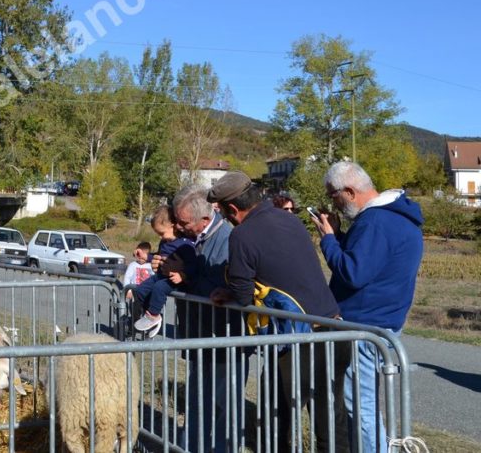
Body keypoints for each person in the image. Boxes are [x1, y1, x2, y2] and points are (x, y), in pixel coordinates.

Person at [208, 171, 350, 453]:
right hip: (335, 328)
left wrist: (230, 291)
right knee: (331, 418)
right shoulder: (289, 219)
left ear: (232, 209)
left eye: (224, 213)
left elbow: (245, 295)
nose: (226, 219)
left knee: (274, 416)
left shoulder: (242, 236)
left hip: (298, 341)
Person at [311, 161, 424, 453]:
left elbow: (353, 272)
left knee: (360, 405)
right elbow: (373, 261)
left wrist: (327, 240)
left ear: (348, 191)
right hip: (383, 321)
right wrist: (339, 237)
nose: (331, 202)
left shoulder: (376, 221)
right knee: (367, 402)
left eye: (332, 196)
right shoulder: (397, 216)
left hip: (365, 326)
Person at [170, 183, 237, 453]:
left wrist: (185, 276)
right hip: (201, 333)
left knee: (222, 402)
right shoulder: (198, 238)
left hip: (220, 335)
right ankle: (192, 447)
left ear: (205, 219)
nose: (179, 226)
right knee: (198, 399)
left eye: (184, 222)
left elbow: (219, 285)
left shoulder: (227, 237)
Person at [132, 206, 196, 336]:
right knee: (140, 290)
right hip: (161, 274)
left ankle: (153, 315)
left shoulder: (185, 244)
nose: (161, 237)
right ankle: (149, 316)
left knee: (159, 287)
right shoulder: (164, 242)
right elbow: (159, 256)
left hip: (174, 279)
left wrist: (182, 276)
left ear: (173, 226)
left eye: (162, 233)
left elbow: (193, 265)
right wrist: (146, 257)